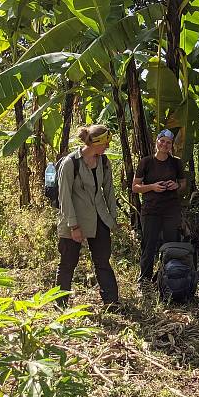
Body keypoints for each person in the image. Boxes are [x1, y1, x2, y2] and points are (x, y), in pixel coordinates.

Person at [56, 124, 119, 307]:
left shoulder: (104, 162)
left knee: (102, 261)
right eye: (105, 143)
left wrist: (112, 219)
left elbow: (109, 191)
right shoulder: (70, 163)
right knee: (68, 263)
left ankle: (111, 302)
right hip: (74, 218)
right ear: (94, 143)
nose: (107, 147)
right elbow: (64, 197)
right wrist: (74, 227)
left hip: (99, 218)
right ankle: (60, 303)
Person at [132, 129, 186, 285]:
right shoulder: (146, 162)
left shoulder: (176, 162)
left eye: (168, 142)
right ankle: (145, 279)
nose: (164, 144)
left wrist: (175, 185)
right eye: (162, 141)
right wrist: (152, 187)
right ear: (156, 142)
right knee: (149, 244)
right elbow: (135, 187)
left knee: (171, 244)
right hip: (151, 210)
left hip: (171, 209)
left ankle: (169, 276)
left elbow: (183, 184)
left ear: (171, 146)